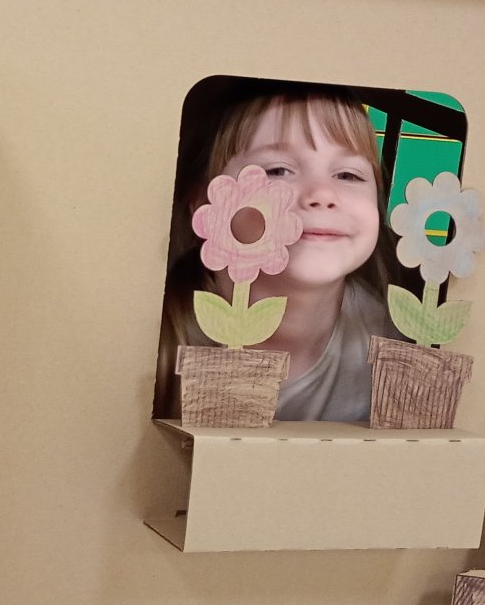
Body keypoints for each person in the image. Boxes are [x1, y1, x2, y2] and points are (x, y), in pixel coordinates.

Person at [155, 84, 410, 424]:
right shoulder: (162, 338)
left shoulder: (388, 341)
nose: (322, 194)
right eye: (277, 170)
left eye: (348, 174)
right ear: (203, 202)